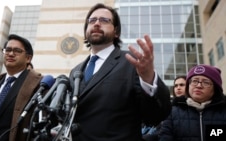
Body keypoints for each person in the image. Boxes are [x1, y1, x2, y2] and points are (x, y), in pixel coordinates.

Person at [68, 3, 171, 141]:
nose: (97, 23)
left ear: (116, 32)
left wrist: (148, 79)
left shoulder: (132, 62)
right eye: (92, 20)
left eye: (104, 20)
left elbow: (156, 115)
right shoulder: (75, 71)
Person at [0, 34, 43, 141]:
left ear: (28, 58)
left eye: (17, 51)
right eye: (8, 50)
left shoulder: (39, 85)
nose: (11, 54)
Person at [159, 64, 226, 141]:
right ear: (188, 85)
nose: (199, 85)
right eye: (194, 81)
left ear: (216, 89)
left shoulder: (223, 111)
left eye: (206, 82)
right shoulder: (172, 112)